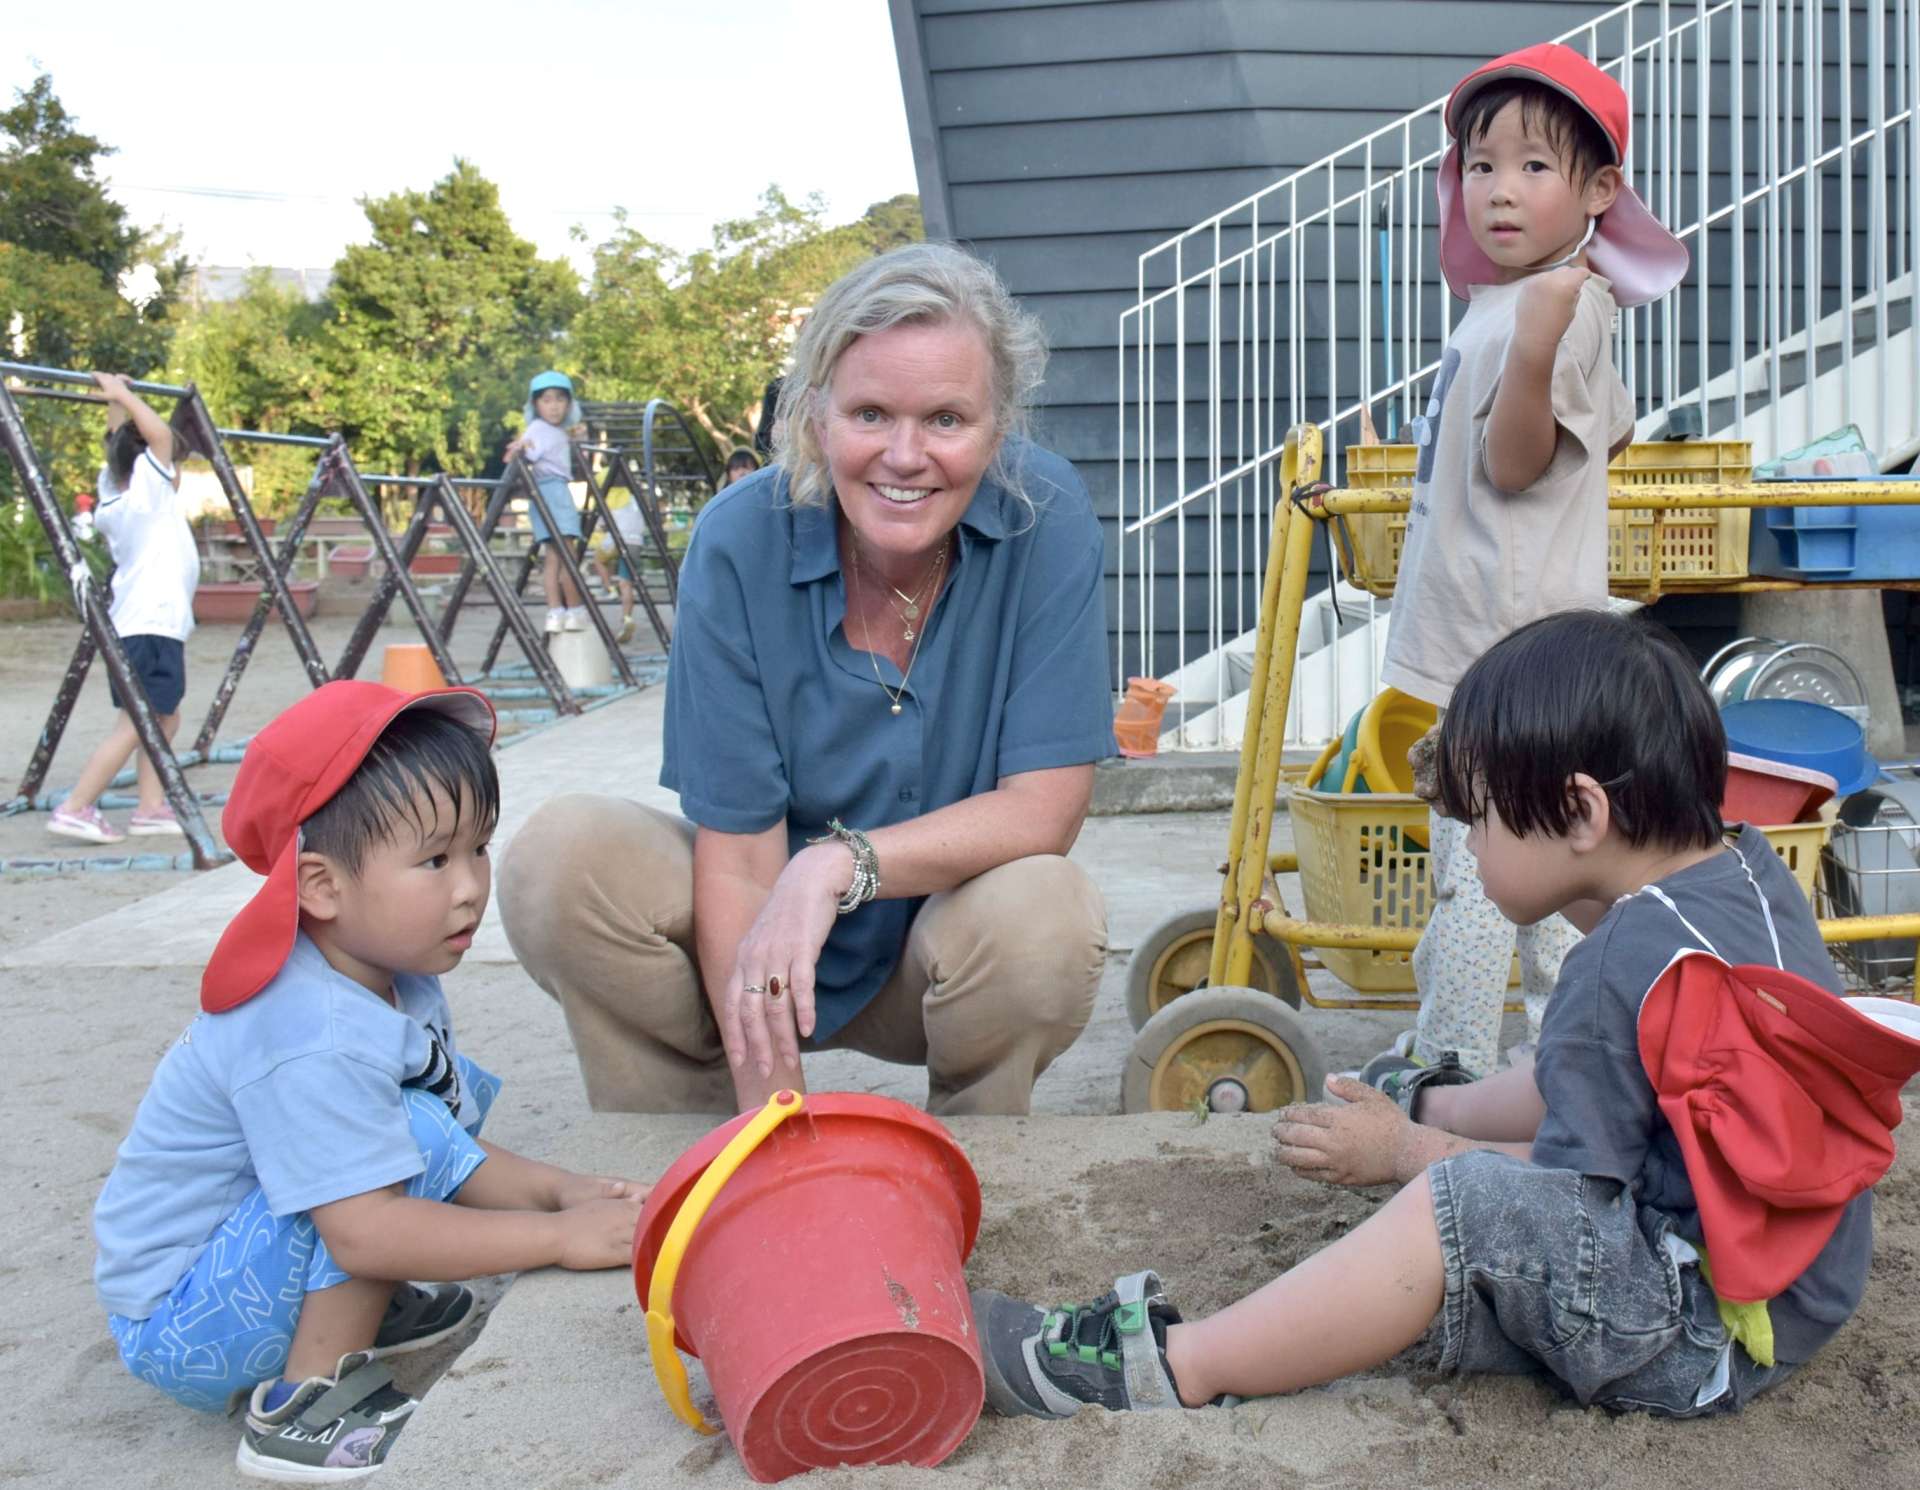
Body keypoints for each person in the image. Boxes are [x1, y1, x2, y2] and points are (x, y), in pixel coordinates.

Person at [972, 609, 1913, 1422]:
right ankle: (1440, 1101)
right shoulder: (1746, 876)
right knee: (1565, 1089)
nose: (1466, 844)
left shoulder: (1615, 967)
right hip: (1795, 1293)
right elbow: (1623, 1078)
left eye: (1480, 819)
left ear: (1581, 813)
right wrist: (1444, 1112)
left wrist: (1406, 1157)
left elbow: (1564, 1201)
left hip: (1697, 1334)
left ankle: (1173, 1368)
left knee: (1463, 1205)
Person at [498, 242, 1113, 1117]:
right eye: (869, 414)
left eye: (946, 419)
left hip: (938, 948)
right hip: (753, 933)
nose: (905, 456)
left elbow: (1045, 807)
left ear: (999, 424)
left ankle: (982, 1166)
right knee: (561, 859)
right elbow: (742, 850)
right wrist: (778, 1127)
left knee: (1047, 911)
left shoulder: (1045, 520)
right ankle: (697, 1159)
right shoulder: (738, 540)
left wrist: (834, 866)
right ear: (816, 416)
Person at [92, 681, 647, 1482]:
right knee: (379, 1172)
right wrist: (559, 1237)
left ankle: (362, 1308)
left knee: (405, 1127)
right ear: (320, 886)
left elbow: (439, 1140)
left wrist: (564, 1191)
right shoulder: (309, 1030)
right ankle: (304, 1403)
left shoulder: (379, 968)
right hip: (181, 1316)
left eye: (477, 849)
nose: (468, 886)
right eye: (433, 860)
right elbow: (366, 1230)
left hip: (233, 1268)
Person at [1361, 42, 1690, 1089]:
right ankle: (1579, 1054)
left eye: (1535, 167)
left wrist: (1545, 348)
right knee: (1547, 867)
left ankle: (1448, 1061)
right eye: (1482, 163)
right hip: (1487, 639)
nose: (1501, 189)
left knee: (1479, 869)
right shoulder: (1510, 297)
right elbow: (1614, 430)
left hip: (1508, 659)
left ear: (1598, 190)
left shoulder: (1562, 304)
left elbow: (1513, 465)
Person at [47, 373, 200, 844]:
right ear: (149, 466)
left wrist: (115, 398)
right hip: (149, 626)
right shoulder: (145, 497)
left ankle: (150, 806)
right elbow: (156, 439)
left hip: (144, 626)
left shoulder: (115, 492)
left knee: (163, 718)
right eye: (170, 463)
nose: (175, 470)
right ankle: (76, 806)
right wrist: (126, 398)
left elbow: (117, 444)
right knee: (140, 722)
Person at [504, 370, 589, 636]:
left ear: (569, 404)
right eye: (547, 400)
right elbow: (527, 452)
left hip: (544, 494)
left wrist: (576, 438)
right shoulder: (540, 429)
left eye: (560, 400)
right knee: (568, 556)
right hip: (553, 492)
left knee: (554, 558)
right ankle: (574, 610)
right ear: (536, 405)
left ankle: (555, 612)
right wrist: (519, 447)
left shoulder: (555, 431)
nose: (554, 406)